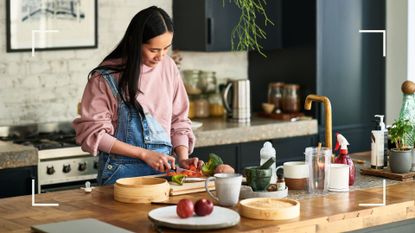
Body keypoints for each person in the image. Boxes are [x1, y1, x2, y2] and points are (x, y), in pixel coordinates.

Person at [73, 6, 202, 185]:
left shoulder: (168, 67)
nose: (161, 56)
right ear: (135, 42)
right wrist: (143, 154)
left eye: (166, 48)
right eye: (154, 50)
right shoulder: (105, 77)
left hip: (164, 177)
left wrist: (182, 157)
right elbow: (95, 134)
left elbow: (179, 120)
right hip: (121, 178)